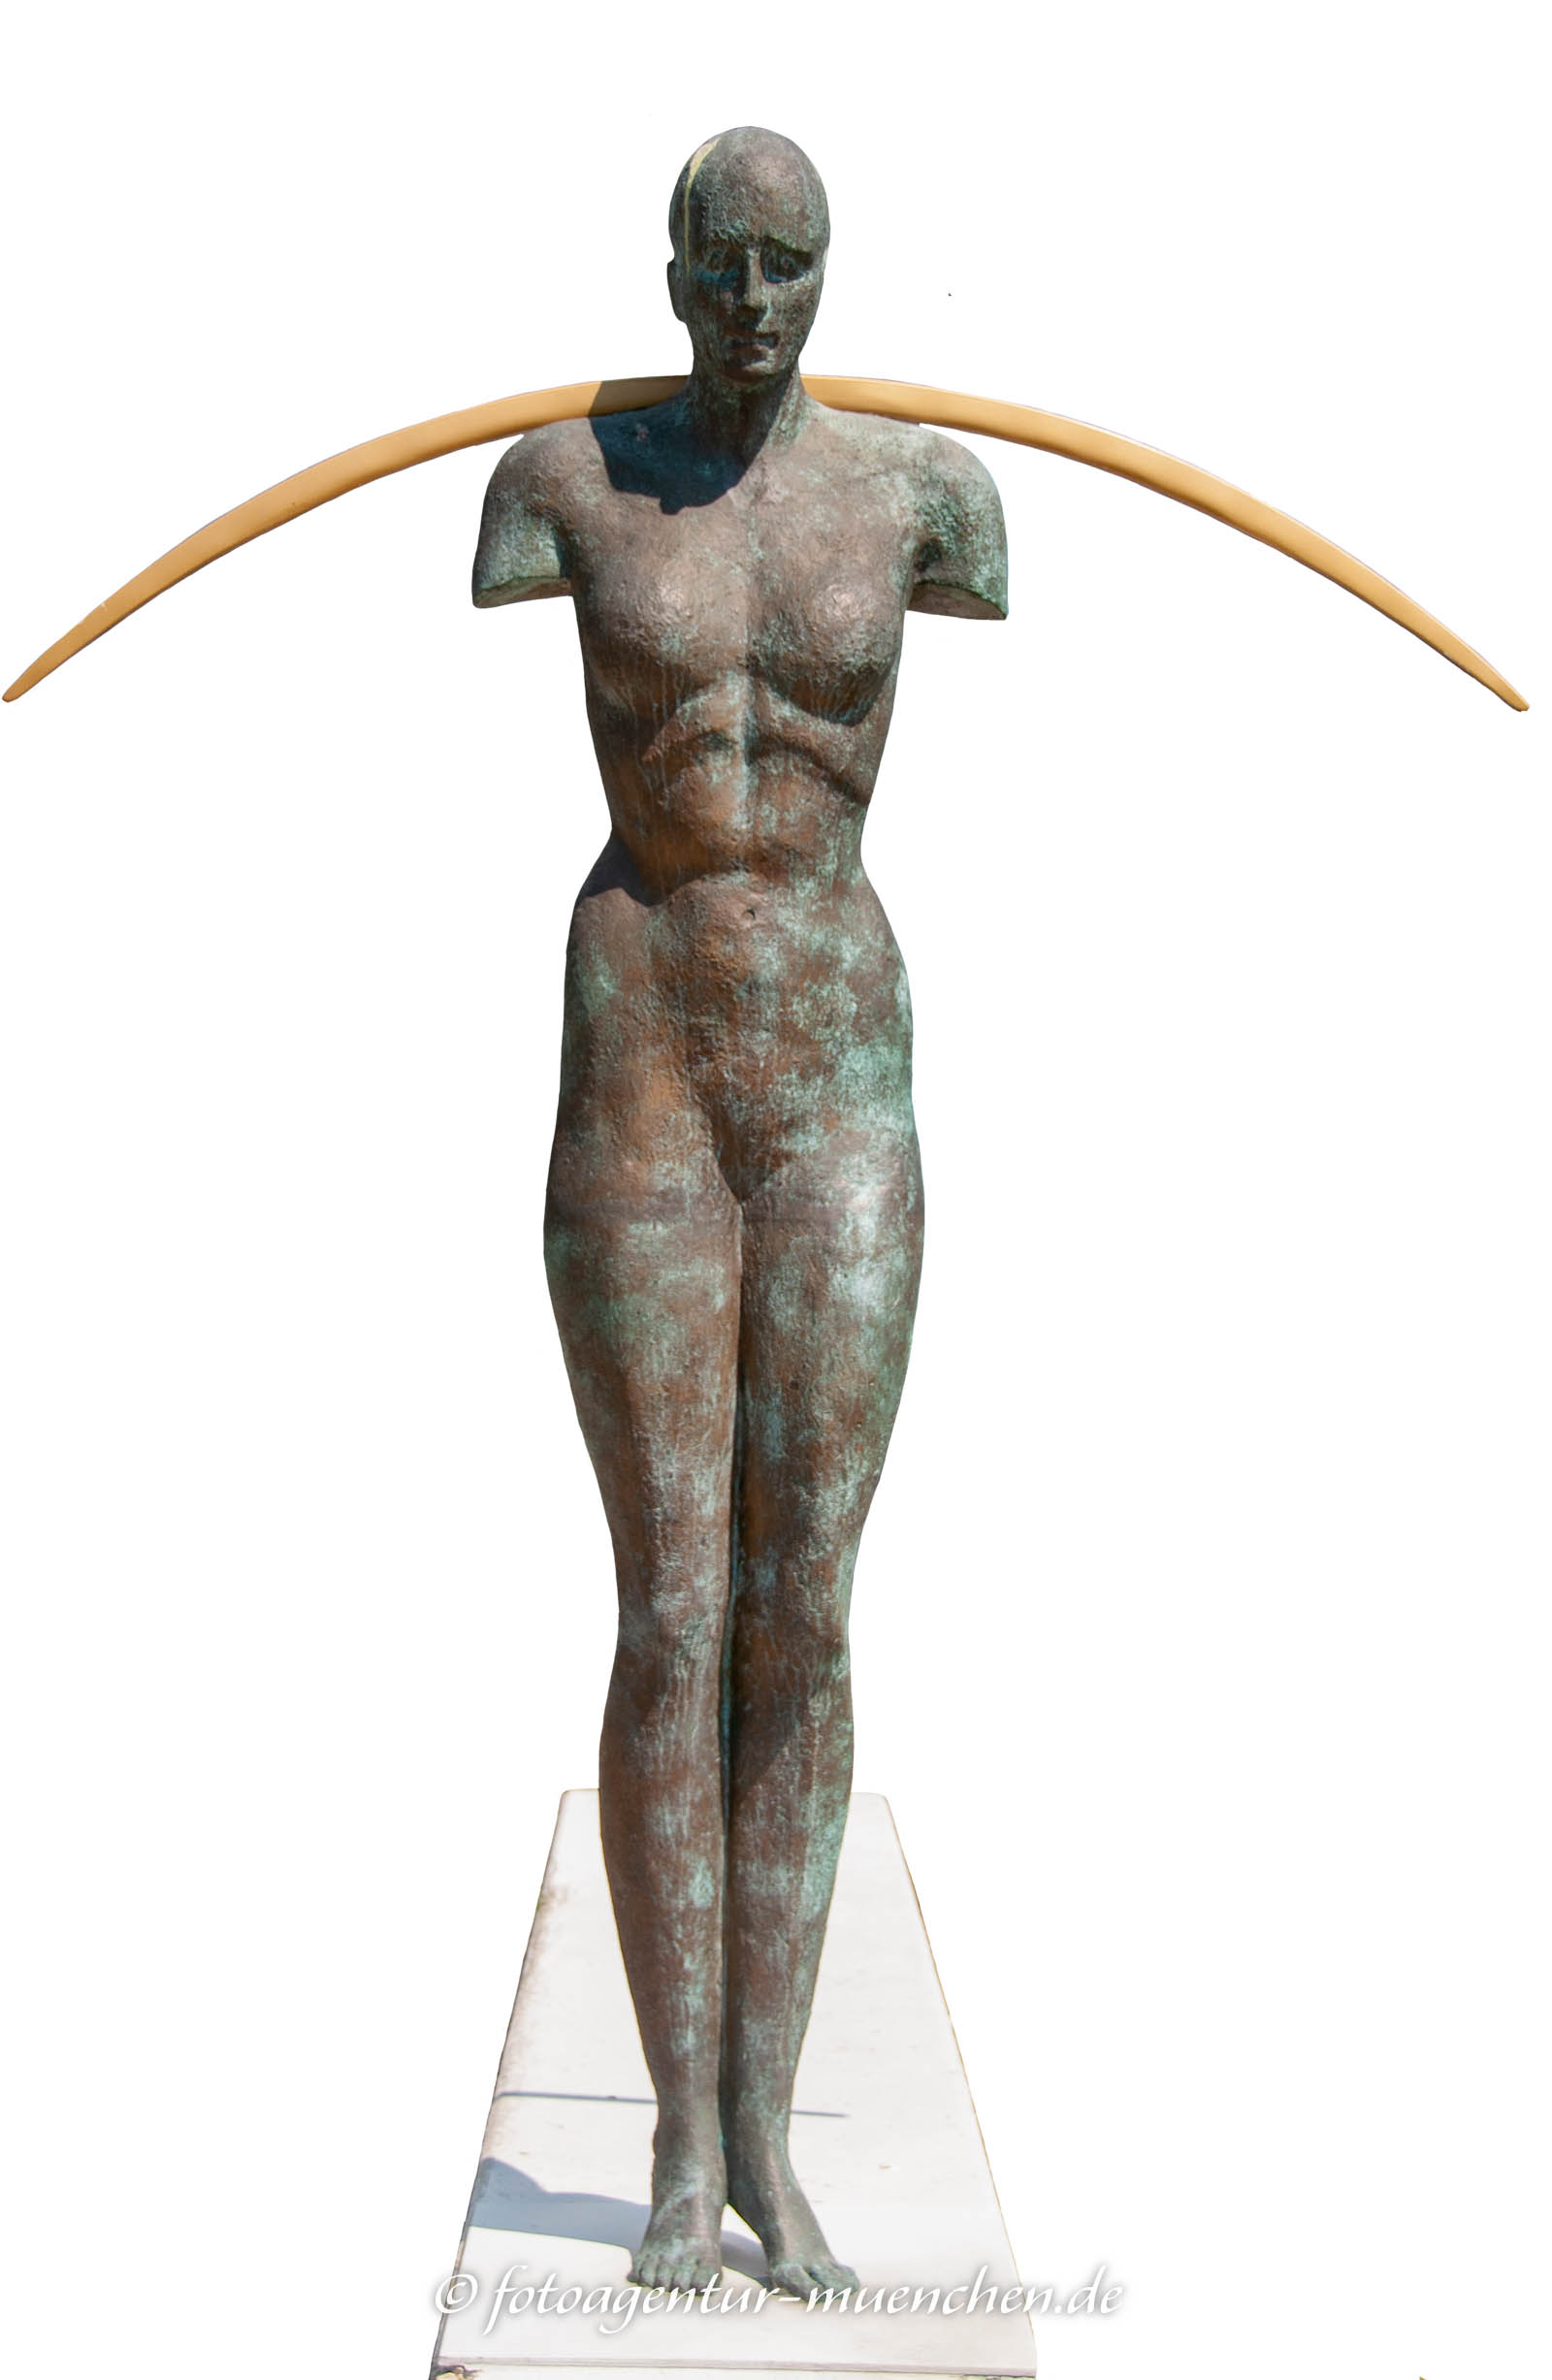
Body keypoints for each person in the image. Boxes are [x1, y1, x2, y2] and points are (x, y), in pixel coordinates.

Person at [472, 125, 1007, 2298]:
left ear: (830, 270)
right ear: (672, 269)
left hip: (835, 1065)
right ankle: (679, 2143)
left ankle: (771, 2142)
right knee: (673, 1610)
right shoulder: (566, 487)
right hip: (645, 1050)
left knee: (807, 1608)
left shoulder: (924, 498)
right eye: (727, 264)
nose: (758, 304)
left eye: (793, 264)